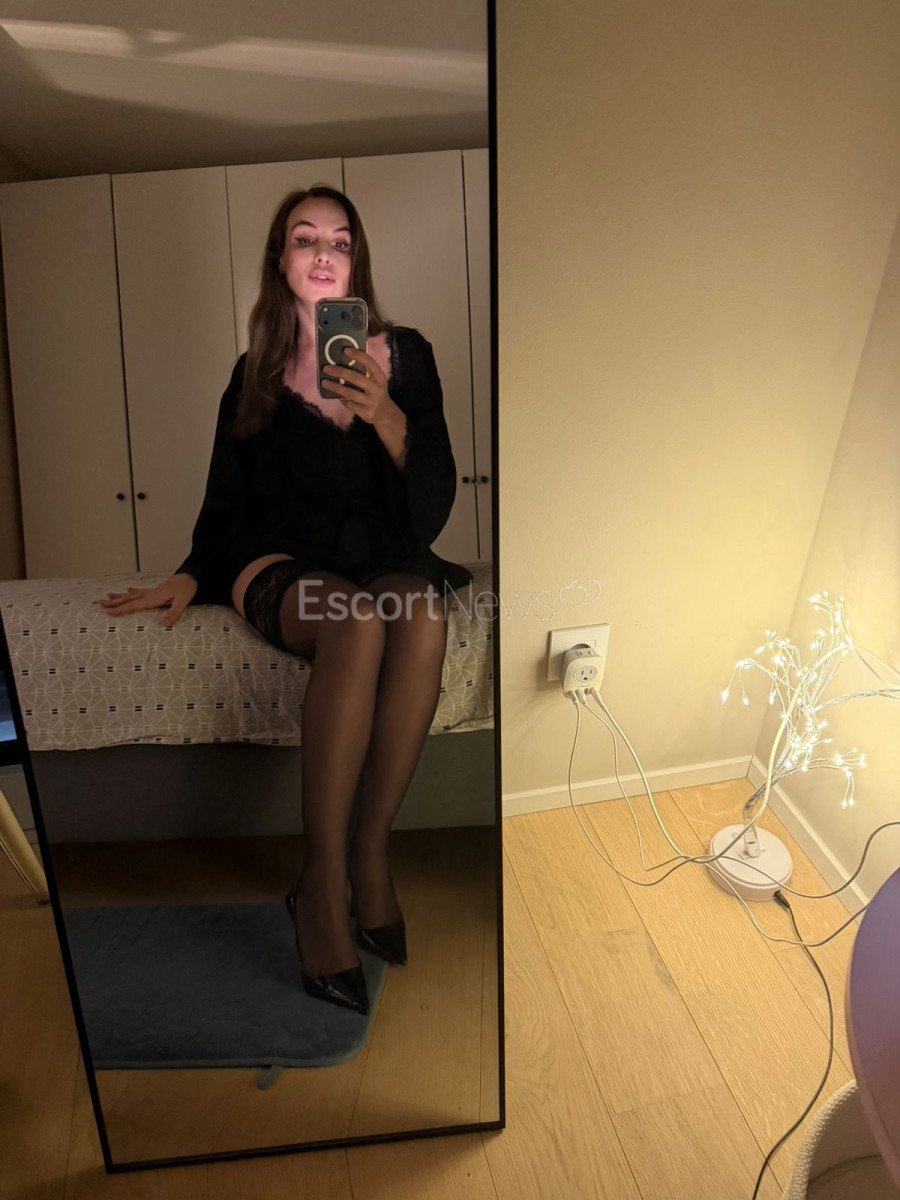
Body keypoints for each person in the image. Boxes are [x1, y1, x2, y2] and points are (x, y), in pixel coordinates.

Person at [98, 184, 473, 1017]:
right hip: (276, 558)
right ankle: (321, 881)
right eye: (306, 239)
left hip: (379, 553)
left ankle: (370, 852)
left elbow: (432, 504)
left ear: (356, 259)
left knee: (420, 614)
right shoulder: (255, 374)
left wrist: (388, 417)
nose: (324, 253)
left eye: (340, 240)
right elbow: (225, 499)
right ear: (281, 259)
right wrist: (191, 572)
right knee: (355, 625)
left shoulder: (406, 355)